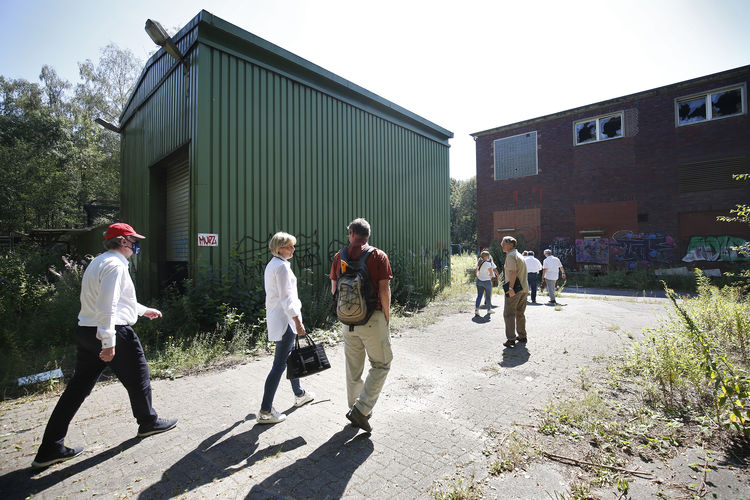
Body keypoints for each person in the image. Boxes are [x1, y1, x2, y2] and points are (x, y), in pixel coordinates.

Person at [32, 223, 177, 469]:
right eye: (133, 240)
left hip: (87, 330)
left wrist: (142, 311)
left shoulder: (99, 262)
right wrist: (109, 343)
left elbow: (116, 300)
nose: (135, 245)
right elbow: (107, 306)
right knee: (139, 376)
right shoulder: (115, 266)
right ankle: (148, 422)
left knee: (77, 389)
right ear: (122, 241)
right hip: (112, 332)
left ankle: (50, 448)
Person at [330, 218, 393, 433]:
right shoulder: (378, 255)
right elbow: (384, 290)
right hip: (372, 318)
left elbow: (334, 290)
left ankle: (354, 407)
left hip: (347, 321)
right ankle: (362, 409)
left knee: (353, 368)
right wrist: (386, 315)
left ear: (351, 233)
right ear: (368, 235)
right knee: (382, 364)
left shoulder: (340, 256)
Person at [257, 232, 315, 424]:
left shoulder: (273, 264)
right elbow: (287, 299)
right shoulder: (281, 267)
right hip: (285, 322)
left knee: (291, 359)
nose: (293, 249)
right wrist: (298, 323)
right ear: (279, 247)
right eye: (289, 246)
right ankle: (265, 411)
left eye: (293, 246)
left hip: (280, 320)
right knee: (279, 366)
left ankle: (299, 394)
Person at [501, 236, 529, 348]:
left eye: (503, 243)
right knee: (520, 313)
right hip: (524, 289)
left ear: (511, 244)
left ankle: (511, 339)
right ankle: (522, 336)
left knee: (509, 314)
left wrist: (511, 288)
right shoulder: (519, 255)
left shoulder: (511, 256)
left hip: (515, 290)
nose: (501, 245)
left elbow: (512, 273)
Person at [474, 250, 498, 316]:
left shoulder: (479, 262)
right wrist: (490, 277)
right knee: (488, 296)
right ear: (487, 256)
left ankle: (476, 310)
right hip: (487, 281)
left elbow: (476, 272)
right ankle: (489, 309)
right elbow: (490, 272)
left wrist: (479, 276)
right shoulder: (488, 263)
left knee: (479, 296)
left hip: (479, 281)